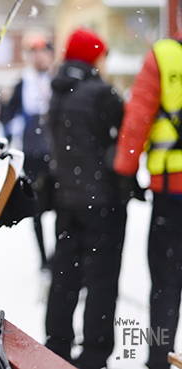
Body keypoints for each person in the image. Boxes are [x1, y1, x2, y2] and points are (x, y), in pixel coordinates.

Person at [44, 28, 127, 369]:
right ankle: (94, 353)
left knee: (65, 276)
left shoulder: (57, 91)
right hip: (102, 203)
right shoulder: (101, 93)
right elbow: (124, 140)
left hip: (67, 200)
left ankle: (57, 344)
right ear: (94, 57)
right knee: (101, 280)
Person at [113, 34, 182, 369]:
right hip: (169, 191)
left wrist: (126, 172)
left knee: (166, 284)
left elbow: (138, 116)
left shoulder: (163, 56)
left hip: (172, 193)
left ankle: (158, 359)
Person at [0, 35, 56, 268]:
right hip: (32, 156)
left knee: (64, 208)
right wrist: (0, 105)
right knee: (37, 210)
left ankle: (59, 257)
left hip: (58, 156)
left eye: (43, 51)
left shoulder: (59, 80)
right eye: (34, 52)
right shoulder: (23, 83)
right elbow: (7, 118)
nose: (39, 57)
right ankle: (44, 259)